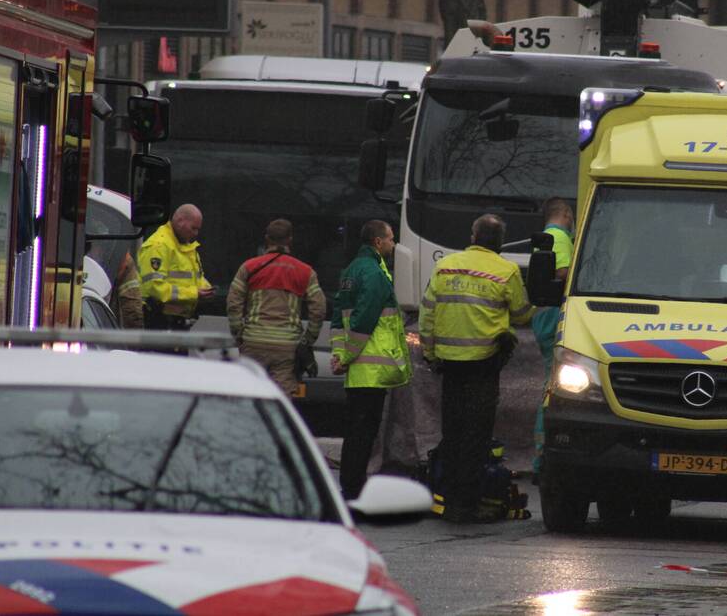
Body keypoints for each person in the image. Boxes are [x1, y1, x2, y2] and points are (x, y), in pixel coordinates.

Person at [419, 214, 535, 523]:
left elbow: (427, 315)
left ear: (473, 236)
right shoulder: (507, 270)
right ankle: (466, 505)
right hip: (484, 364)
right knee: (476, 435)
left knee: (453, 432)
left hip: (449, 364)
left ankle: (448, 497)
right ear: (498, 242)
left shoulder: (445, 266)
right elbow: (522, 314)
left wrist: (430, 354)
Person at [331, 220, 411, 500]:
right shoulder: (375, 274)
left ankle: (350, 486)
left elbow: (338, 316)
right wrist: (350, 354)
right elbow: (364, 319)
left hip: (356, 370)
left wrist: (339, 354)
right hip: (371, 368)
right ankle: (354, 490)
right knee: (364, 434)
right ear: (378, 242)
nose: (393, 243)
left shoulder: (350, 270)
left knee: (354, 431)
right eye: (390, 239)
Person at [227, 219, 326, 396]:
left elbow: (233, 303)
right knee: (280, 401)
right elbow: (318, 309)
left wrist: (239, 334)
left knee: (250, 397)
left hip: (253, 343)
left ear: (267, 239)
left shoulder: (248, 267)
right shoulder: (305, 271)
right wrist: (307, 341)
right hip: (286, 346)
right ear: (290, 240)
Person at [531, 197, 574, 479]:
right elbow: (561, 273)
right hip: (552, 315)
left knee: (552, 385)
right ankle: (542, 459)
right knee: (553, 389)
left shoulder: (547, 237)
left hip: (543, 314)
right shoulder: (558, 237)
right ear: (567, 215)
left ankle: (541, 456)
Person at [138, 204, 214, 330]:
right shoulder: (159, 246)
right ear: (179, 221)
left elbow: (196, 277)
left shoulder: (187, 246)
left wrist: (206, 289)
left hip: (177, 322)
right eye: (193, 228)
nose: (196, 233)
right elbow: (155, 287)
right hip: (159, 321)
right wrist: (194, 293)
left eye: (198, 229)